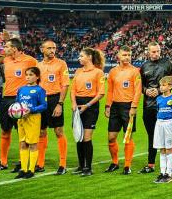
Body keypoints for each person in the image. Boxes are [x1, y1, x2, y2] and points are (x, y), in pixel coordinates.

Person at [0, 35, 38, 172]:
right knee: (5, 131)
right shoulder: (5, 59)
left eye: (6, 46)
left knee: (22, 133)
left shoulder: (30, 61)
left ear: (14, 48)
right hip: (6, 99)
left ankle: (22, 161)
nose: (4, 49)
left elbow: (38, 77)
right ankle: (3, 162)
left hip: (22, 100)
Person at [138, 42, 172, 175]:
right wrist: (146, 91)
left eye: (158, 51)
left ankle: (170, 164)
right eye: (153, 52)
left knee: (168, 136)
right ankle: (151, 164)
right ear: (148, 52)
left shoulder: (167, 63)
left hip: (164, 105)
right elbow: (140, 85)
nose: (156, 54)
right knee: (152, 136)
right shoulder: (144, 66)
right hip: (148, 106)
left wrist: (159, 91)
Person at [105, 45, 141, 175]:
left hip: (128, 107)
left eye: (129, 55)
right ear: (118, 56)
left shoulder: (135, 71)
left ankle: (127, 165)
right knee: (111, 137)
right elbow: (109, 90)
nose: (127, 57)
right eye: (124, 55)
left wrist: (134, 107)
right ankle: (114, 163)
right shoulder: (113, 72)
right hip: (115, 107)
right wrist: (108, 106)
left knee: (127, 137)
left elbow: (138, 91)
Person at [71, 48, 106, 177]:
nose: (79, 58)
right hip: (78, 105)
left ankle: (88, 167)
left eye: (81, 56)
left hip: (90, 105)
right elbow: (72, 89)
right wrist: (74, 104)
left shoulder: (98, 72)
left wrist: (87, 105)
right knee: (78, 136)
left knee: (86, 137)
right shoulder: (78, 71)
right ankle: (81, 166)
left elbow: (101, 93)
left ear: (89, 57)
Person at [36, 40, 69, 174]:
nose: (52, 50)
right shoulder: (37, 66)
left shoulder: (61, 64)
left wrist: (60, 104)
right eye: (49, 48)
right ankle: (40, 163)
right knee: (41, 132)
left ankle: (62, 164)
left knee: (58, 131)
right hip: (41, 100)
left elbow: (65, 85)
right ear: (42, 49)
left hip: (55, 99)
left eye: (54, 48)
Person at [14, 67, 47, 179]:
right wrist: (15, 111)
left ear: (37, 77)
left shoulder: (40, 90)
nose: (28, 77)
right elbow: (17, 103)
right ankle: (23, 169)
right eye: (26, 74)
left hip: (33, 119)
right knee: (23, 143)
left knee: (32, 144)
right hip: (22, 119)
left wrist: (31, 110)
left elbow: (44, 105)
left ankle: (31, 170)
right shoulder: (21, 89)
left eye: (31, 75)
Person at [153, 76, 172, 184]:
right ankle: (162, 172)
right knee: (162, 149)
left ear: (170, 86)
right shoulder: (158, 99)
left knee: (169, 149)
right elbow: (158, 111)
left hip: (169, 123)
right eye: (161, 85)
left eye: (163, 85)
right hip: (159, 123)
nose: (161, 87)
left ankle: (168, 174)